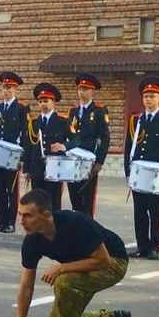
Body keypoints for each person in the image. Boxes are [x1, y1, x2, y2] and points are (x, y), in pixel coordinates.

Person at [0, 189, 131, 317]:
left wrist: (61, 268)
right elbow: (26, 286)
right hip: (84, 266)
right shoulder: (32, 240)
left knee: (63, 281)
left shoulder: (75, 223)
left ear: (45, 215)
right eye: (20, 214)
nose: (21, 221)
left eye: (28, 216)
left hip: (114, 262)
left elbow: (103, 261)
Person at [124, 76, 159, 260]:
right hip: (139, 173)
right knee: (139, 211)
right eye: (146, 96)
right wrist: (128, 172)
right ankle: (141, 245)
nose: (148, 99)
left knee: (154, 211)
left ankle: (154, 246)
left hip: (156, 175)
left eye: (152, 96)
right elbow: (128, 147)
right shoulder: (136, 120)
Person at [65, 73, 110, 218]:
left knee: (87, 198)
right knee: (74, 196)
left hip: (89, 161)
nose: (81, 92)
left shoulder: (99, 110)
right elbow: (70, 134)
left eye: (85, 89)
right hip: (73, 160)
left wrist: (99, 161)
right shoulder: (73, 111)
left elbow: (104, 137)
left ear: (92, 92)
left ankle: (88, 229)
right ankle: (77, 229)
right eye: (80, 89)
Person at [0, 71, 29, 233]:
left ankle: (11, 222)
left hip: (12, 155)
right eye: (4, 87)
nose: (6, 91)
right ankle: (2, 221)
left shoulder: (21, 108)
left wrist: (22, 156)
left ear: (15, 90)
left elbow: (25, 133)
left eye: (10, 88)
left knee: (11, 189)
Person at [23, 83, 69, 211]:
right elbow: (29, 147)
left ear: (54, 103)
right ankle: (38, 229)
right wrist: (26, 168)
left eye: (46, 101)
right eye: (40, 101)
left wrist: (64, 146)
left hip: (54, 168)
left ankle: (54, 229)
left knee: (53, 202)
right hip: (36, 167)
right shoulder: (33, 122)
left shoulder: (62, 121)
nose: (43, 104)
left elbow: (76, 140)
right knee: (37, 202)